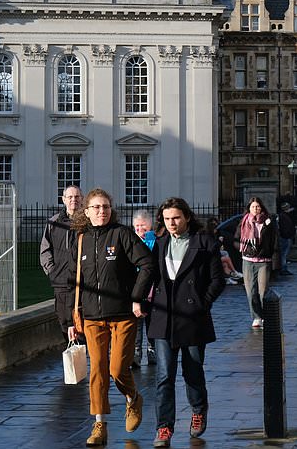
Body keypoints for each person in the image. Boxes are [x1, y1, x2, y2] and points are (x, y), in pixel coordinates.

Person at [68, 188, 155, 447]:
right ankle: (99, 424)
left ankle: (132, 398)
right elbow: (72, 282)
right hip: (92, 317)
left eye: (105, 206)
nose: (101, 211)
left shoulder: (122, 234)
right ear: (86, 211)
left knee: (117, 369)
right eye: (96, 207)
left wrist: (136, 297)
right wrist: (71, 320)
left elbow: (148, 264)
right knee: (98, 371)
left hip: (122, 315)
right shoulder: (80, 239)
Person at [148, 197, 225, 448]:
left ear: (187, 217)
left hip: (192, 318)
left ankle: (198, 409)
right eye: (167, 219)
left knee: (192, 371)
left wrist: (203, 303)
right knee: (163, 375)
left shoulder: (204, 243)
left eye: (176, 218)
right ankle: (164, 427)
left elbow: (217, 280)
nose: (172, 223)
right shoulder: (159, 244)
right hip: (163, 317)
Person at [40, 185, 81, 338]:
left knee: (83, 323)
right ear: (63, 200)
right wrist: (52, 271)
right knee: (64, 322)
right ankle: (73, 358)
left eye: (77, 197)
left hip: (84, 280)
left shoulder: (87, 222)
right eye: (70, 197)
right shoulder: (54, 222)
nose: (73, 200)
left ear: (82, 199)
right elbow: (45, 248)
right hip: (61, 281)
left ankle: (85, 359)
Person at [237, 197, 276, 329]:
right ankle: (256, 317)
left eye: (258, 206)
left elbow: (274, 240)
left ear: (261, 207)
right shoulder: (244, 222)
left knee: (263, 291)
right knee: (250, 291)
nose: (256, 209)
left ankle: (265, 316)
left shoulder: (268, 222)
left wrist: (270, 254)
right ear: (249, 208)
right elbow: (236, 239)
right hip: (248, 260)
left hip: (264, 260)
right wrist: (244, 247)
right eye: (253, 207)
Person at [132, 210, 158, 368]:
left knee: (152, 322)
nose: (140, 231)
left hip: (152, 289)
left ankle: (152, 349)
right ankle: (136, 352)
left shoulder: (155, 242)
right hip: (136, 289)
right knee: (136, 323)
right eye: (137, 227)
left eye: (144, 227)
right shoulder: (131, 241)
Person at [276, 202, 297, 277]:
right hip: (285, 237)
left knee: (283, 254)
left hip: (285, 237)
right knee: (284, 254)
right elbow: (285, 228)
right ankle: (283, 269)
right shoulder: (284, 216)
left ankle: (283, 268)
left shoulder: (283, 216)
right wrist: (288, 235)